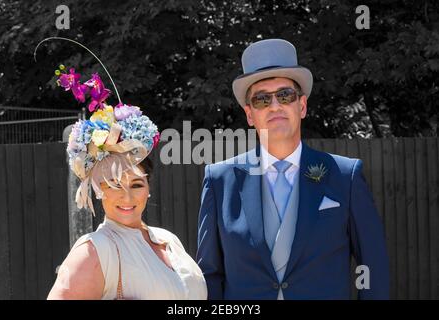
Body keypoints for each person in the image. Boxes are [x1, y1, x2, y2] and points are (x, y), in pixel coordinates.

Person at [196, 39, 390, 299]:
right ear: (250, 115)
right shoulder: (220, 180)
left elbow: (372, 267)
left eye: (285, 95)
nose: (275, 106)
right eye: (262, 99)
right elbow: (210, 275)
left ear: (302, 106)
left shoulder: (345, 177)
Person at [46, 60, 207, 299]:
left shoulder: (168, 240)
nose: (127, 197)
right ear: (99, 189)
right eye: (114, 185)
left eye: (137, 184)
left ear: (149, 187)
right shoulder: (94, 251)